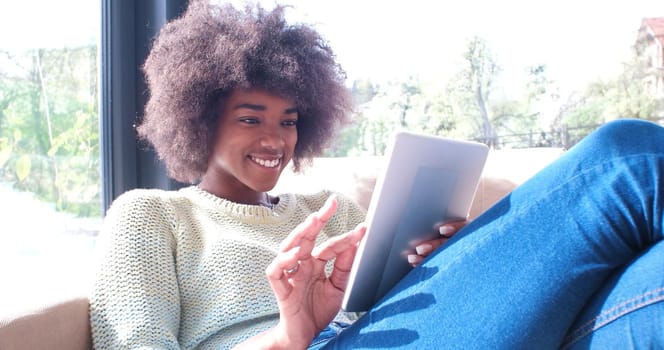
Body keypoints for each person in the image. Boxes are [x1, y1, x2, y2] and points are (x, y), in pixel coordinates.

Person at [90, 1, 664, 349]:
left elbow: (402, 307)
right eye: (250, 118)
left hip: (412, 333)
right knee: (626, 158)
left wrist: (434, 261)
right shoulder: (153, 215)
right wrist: (287, 338)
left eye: (288, 120)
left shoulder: (329, 206)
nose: (275, 139)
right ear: (196, 118)